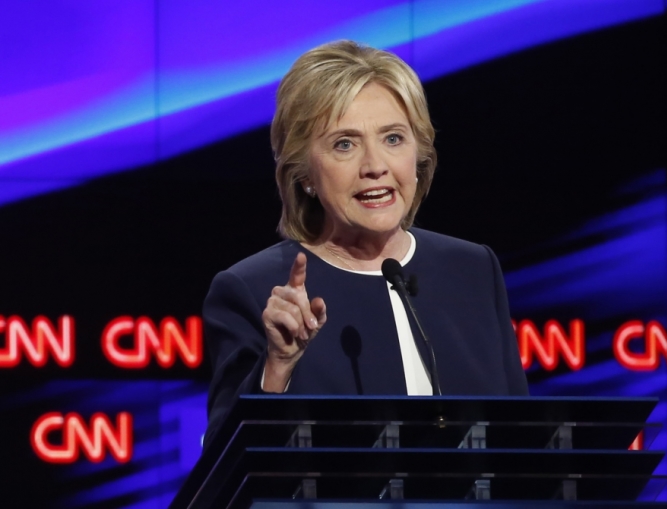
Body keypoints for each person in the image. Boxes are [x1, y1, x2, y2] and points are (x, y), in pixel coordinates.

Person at [203, 40, 528, 446]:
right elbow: (224, 468)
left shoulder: (472, 269)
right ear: (304, 172)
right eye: (345, 144)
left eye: (393, 138)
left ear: (419, 153)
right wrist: (278, 367)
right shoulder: (254, 290)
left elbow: (520, 438)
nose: (375, 166)